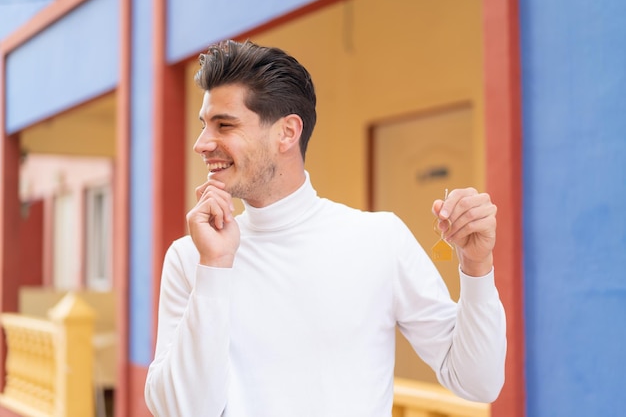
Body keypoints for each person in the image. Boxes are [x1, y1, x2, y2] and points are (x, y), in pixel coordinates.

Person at [144, 39, 506, 417]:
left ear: (287, 132)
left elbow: (477, 382)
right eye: (204, 125)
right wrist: (214, 269)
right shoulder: (192, 259)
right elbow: (180, 410)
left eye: (225, 125)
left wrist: (477, 266)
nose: (202, 144)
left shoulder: (379, 240)